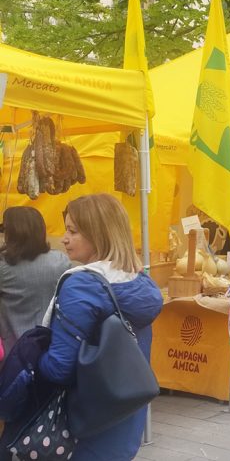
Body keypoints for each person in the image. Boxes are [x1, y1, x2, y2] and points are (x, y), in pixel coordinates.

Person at [37, 194, 163, 460]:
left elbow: (60, 367)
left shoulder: (82, 285)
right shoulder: (140, 280)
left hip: (85, 421)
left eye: (73, 231)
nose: (64, 238)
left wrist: (31, 361)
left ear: (99, 234)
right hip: (126, 413)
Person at [0, 207, 70, 356]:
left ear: (11, 233)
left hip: (14, 350)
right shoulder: (60, 261)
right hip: (51, 345)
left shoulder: (4, 268)